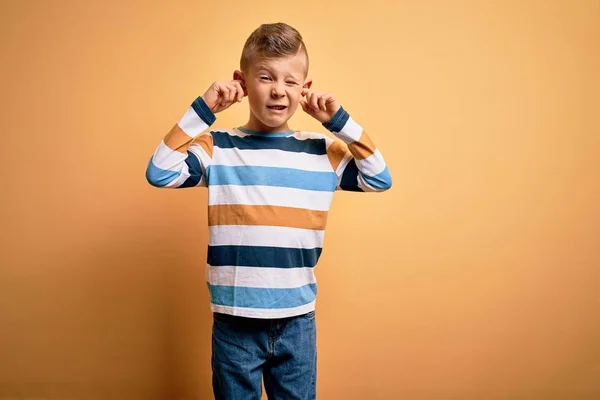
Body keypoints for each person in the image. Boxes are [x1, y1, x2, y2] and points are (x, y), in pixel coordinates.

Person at [146, 22, 392, 400]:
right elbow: (159, 172)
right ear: (241, 82)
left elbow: (379, 178)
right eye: (265, 77)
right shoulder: (219, 147)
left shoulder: (321, 151)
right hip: (234, 321)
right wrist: (205, 109)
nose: (279, 90)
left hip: (297, 319)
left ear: (304, 90)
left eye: (291, 82)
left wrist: (338, 122)